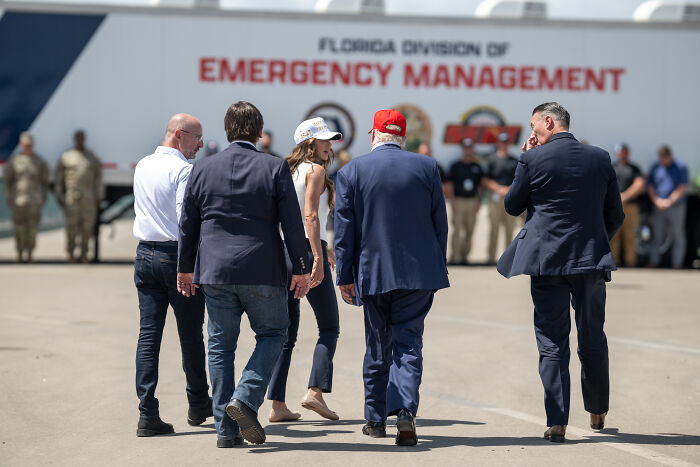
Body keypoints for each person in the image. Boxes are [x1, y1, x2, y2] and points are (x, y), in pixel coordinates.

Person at [177, 101, 312, 447]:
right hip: (262, 270)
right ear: (258, 132)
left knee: (220, 347)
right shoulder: (274, 167)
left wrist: (185, 268)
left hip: (214, 272)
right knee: (274, 333)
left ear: (227, 131)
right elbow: (292, 225)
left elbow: (188, 225)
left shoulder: (203, 169)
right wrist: (301, 268)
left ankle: (225, 430)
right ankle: (246, 398)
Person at [497, 102, 624, 443]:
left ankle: (557, 421)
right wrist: (596, 242)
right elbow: (616, 215)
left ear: (548, 122)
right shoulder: (600, 158)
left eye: (534, 125)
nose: (532, 133)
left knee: (552, 342)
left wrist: (524, 160)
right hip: (590, 261)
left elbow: (513, 205)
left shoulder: (531, 158)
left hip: (547, 262)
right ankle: (597, 409)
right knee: (592, 336)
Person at [334, 109, 449, 446]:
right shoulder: (427, 167)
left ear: (374, 135)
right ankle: (404, 412)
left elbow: (344, 231)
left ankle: (374, 418)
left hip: (372, 273)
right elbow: (439, 222)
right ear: (403, 137)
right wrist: (435, 265)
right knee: (408, 343)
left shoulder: (351, 170)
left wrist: (344, 274)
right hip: (418, 273)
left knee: (377, 345)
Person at [132, 114, 212, 437]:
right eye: (197, 138)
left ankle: (147, 412)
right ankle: (197, 403)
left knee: (148, 336)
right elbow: (186, 222)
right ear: (180, 135)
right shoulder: (183, 170)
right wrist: (188, 266)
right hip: (175, 257)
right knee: (191, 333)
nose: (201, 145)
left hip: (144, 255)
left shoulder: (143, 165)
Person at [267, 117, 342, 423]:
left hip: (282, 251)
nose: (330, 145)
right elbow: (310, 215)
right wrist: (317, 257)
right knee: (329, 326)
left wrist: (323, 247)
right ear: (310, 142)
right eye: (324, 140)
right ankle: (315, 392)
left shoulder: (286, 170)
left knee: (286, 333)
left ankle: (277, 405)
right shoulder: (316, 170)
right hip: (304, 252)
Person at [54, 130, 103, 263]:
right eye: (78, 138)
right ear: (75, 140)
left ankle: (84, 254)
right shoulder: (67, 156)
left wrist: (99, 196)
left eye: (82, 138)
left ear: (84, 139)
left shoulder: (92, 157)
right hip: (72, 198)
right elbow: (59, 178)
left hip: (88, 198)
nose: (80, 141)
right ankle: (70, 253)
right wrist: (59, 195)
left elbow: (98, 178)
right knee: (71, 228)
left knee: (87, 228)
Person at [3, 132, 49, 263]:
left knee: (32, 229)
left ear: (33, 145)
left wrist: (43, 197)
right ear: (21, 145)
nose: (28, 147)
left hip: (34, 200)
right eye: (25, 145)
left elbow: (45, 182)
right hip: (19, 201)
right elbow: (8, 181)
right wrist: (9, 198)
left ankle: (29, 254)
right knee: (19, 228)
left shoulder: (39, 161)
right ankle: (19, 253)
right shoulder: (15, 161)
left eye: (30, 145)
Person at [647, 145, 688, 268]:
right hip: (658, 205)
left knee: (678, 235)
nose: (663, 161)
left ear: (670, 156)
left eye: (665, 158)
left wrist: (669, 201)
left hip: (676, 206)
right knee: (657, 235)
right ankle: (654, 262)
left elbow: (682, 187)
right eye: (661, 158)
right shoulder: (655, 167)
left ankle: (677, 263)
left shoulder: (680, 167)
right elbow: (651, 186)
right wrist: (657, 201)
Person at [482, 132, 519, 264]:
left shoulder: (514, 160)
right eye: (502, 142)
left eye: (506, 142)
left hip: (510, 198)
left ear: (508, 143)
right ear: (498, 143)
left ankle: (508, 260)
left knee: (509, 229)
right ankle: (491, 258)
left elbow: (519, 179)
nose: (504, 144)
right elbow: (485, 179)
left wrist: (508, 189)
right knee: (494, 228)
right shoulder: (492, 160)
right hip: (495, 198)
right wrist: (498, 188)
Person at [448, 138, 483, 265]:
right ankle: (455, 256)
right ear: (463, 149)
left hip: (472, 201)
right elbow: (450, 185)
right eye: (466, 147)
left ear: (472, 149)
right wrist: (452, 201)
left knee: (470, 230)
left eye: (470, 147)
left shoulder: (477, 166)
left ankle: (464, 256)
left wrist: (479, 202)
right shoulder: (455, 165)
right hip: (459, 200)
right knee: (457, 229)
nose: (468, 150)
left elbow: (480, 186)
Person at [610, 143, 645, 267]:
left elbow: (639, 184)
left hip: (630, 206)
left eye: (624, 151)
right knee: (613, 234)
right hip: (614, 205)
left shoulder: (634, 168)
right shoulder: (612, 166)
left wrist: (625, 196)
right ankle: (613, 261)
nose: (622, 154)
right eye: (620, 152)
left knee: (630, 235)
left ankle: (631, 262)